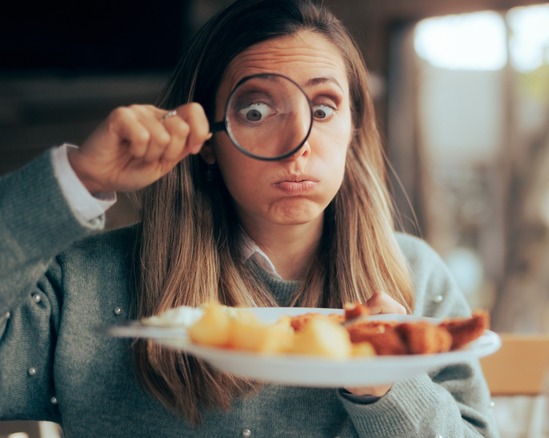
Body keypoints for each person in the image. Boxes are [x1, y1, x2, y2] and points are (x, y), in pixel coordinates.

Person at [0, 0, 498, 436]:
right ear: (210, 141)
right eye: (256, 111)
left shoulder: (417, 274)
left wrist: (389, 383)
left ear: (355, 130)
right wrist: (77, 180)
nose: (297, 146)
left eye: (323, 110)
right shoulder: (85, 282)